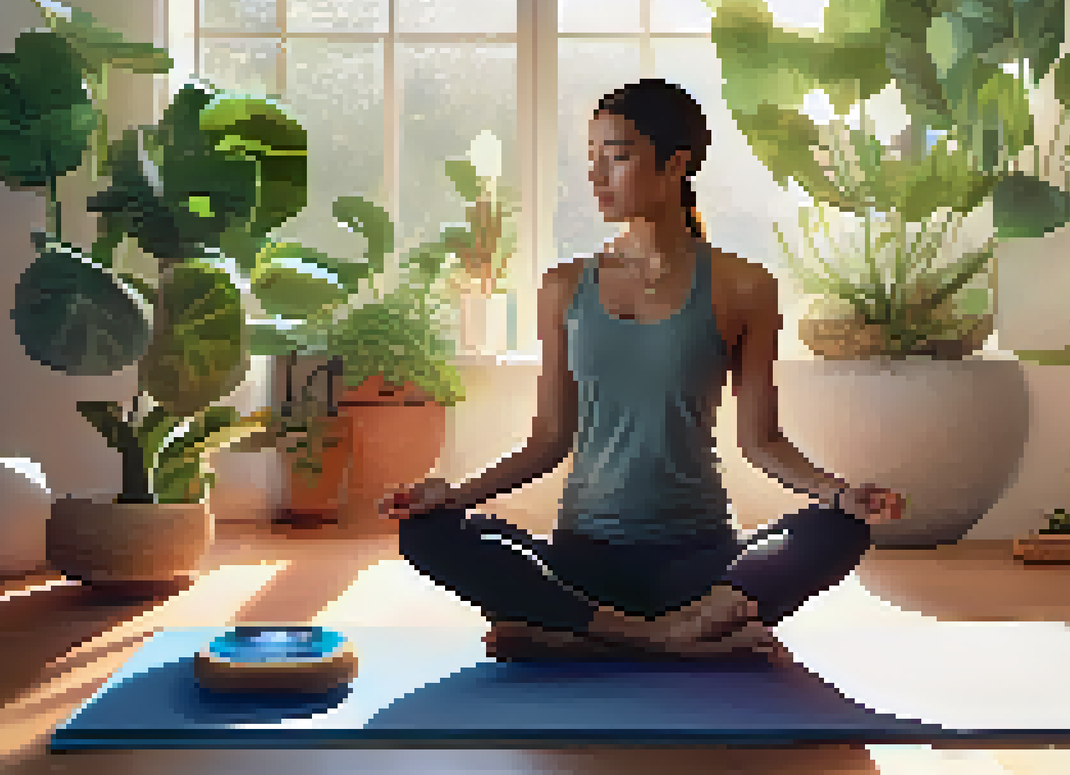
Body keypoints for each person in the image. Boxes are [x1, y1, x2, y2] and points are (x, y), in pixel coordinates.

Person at [379, 78, 906, 664]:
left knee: (838, 529)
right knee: (427, 533)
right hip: (583, 564)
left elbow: (762, 443)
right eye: (592, 159)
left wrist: (841, 493)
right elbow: (547, 442)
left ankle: (579, 638)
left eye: (619, 157)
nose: (597, 177)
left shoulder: (744, 287)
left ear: (675, 163)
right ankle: (661, 639)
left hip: (702, 568)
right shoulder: (563, 287)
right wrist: (450, 496)